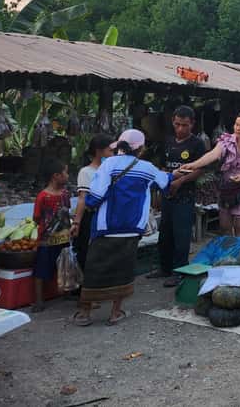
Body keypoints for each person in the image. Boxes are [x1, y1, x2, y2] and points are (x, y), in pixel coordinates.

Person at [72, 129, 172, 327]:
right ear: (141, 149)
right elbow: (165, 182)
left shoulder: (108, 164)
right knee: (123, 269)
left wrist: (89, 206)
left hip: (106, 226)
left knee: (95, 268)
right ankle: (115, 312)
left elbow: (95, 196)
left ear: (119, 146)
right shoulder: (147, 168)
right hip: (132, 227)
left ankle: (84, 314)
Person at [177, 112, 240, 237]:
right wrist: (193, 165)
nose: (238, 128)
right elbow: (212, 155)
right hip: (226, 188)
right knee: (224, 226)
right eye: (236, 124)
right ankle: (228, 248)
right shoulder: (226, 141)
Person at [147, 106, 206, 287]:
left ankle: (180, 271)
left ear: (192, 124)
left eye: (185, 125)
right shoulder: (167, 141)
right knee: (165, 233)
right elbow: (162, 167)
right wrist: (162, 187)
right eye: (178, 124)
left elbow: (200, 170)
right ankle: (164, 267)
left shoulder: (197, 144)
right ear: (173, 121)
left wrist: (180, 181)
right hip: (167, 195)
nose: (180, 128)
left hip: (185, 196)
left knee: (182, 235)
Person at [32, 158, 72, 312]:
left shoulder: (65, 194)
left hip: (62, 236)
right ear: (56, 176)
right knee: (42, 268)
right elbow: (36, 217)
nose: (67, 176)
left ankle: (66, 292)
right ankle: (39, 300)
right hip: (47, 239)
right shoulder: (43, 196)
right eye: (65, 173)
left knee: (64, 265)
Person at [71, 135, 113, 275]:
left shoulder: (112, 170)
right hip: (92, 217)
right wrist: (77, 223)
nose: (113, 154)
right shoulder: (86, 172)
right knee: (87, 252)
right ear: (99, 151)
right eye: (110, 150)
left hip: (108, 217)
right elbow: (82, 199)